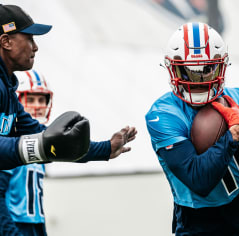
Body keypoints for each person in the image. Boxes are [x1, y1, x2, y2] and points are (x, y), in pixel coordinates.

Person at [146, 22, 239, 235]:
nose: (199, 80)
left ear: (221, 66)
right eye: (189, 72)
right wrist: (233, 135)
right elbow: (199, 180)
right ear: (172, 68)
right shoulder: (163, 114)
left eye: (207, 69)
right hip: (201, 218)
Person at [0, 4, 137, 170]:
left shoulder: (7, 89)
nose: (35, 47)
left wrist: (106, 149)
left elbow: (43, 137)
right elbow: (42, 143)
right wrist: (42, 146)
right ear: (6, 42)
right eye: (30, 38)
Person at [0, 70, 53, 235]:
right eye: (30, 99)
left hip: (34, 225)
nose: (37, 105)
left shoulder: (39, 144)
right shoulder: (12, 141)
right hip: (15, 224)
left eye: (41, 99)